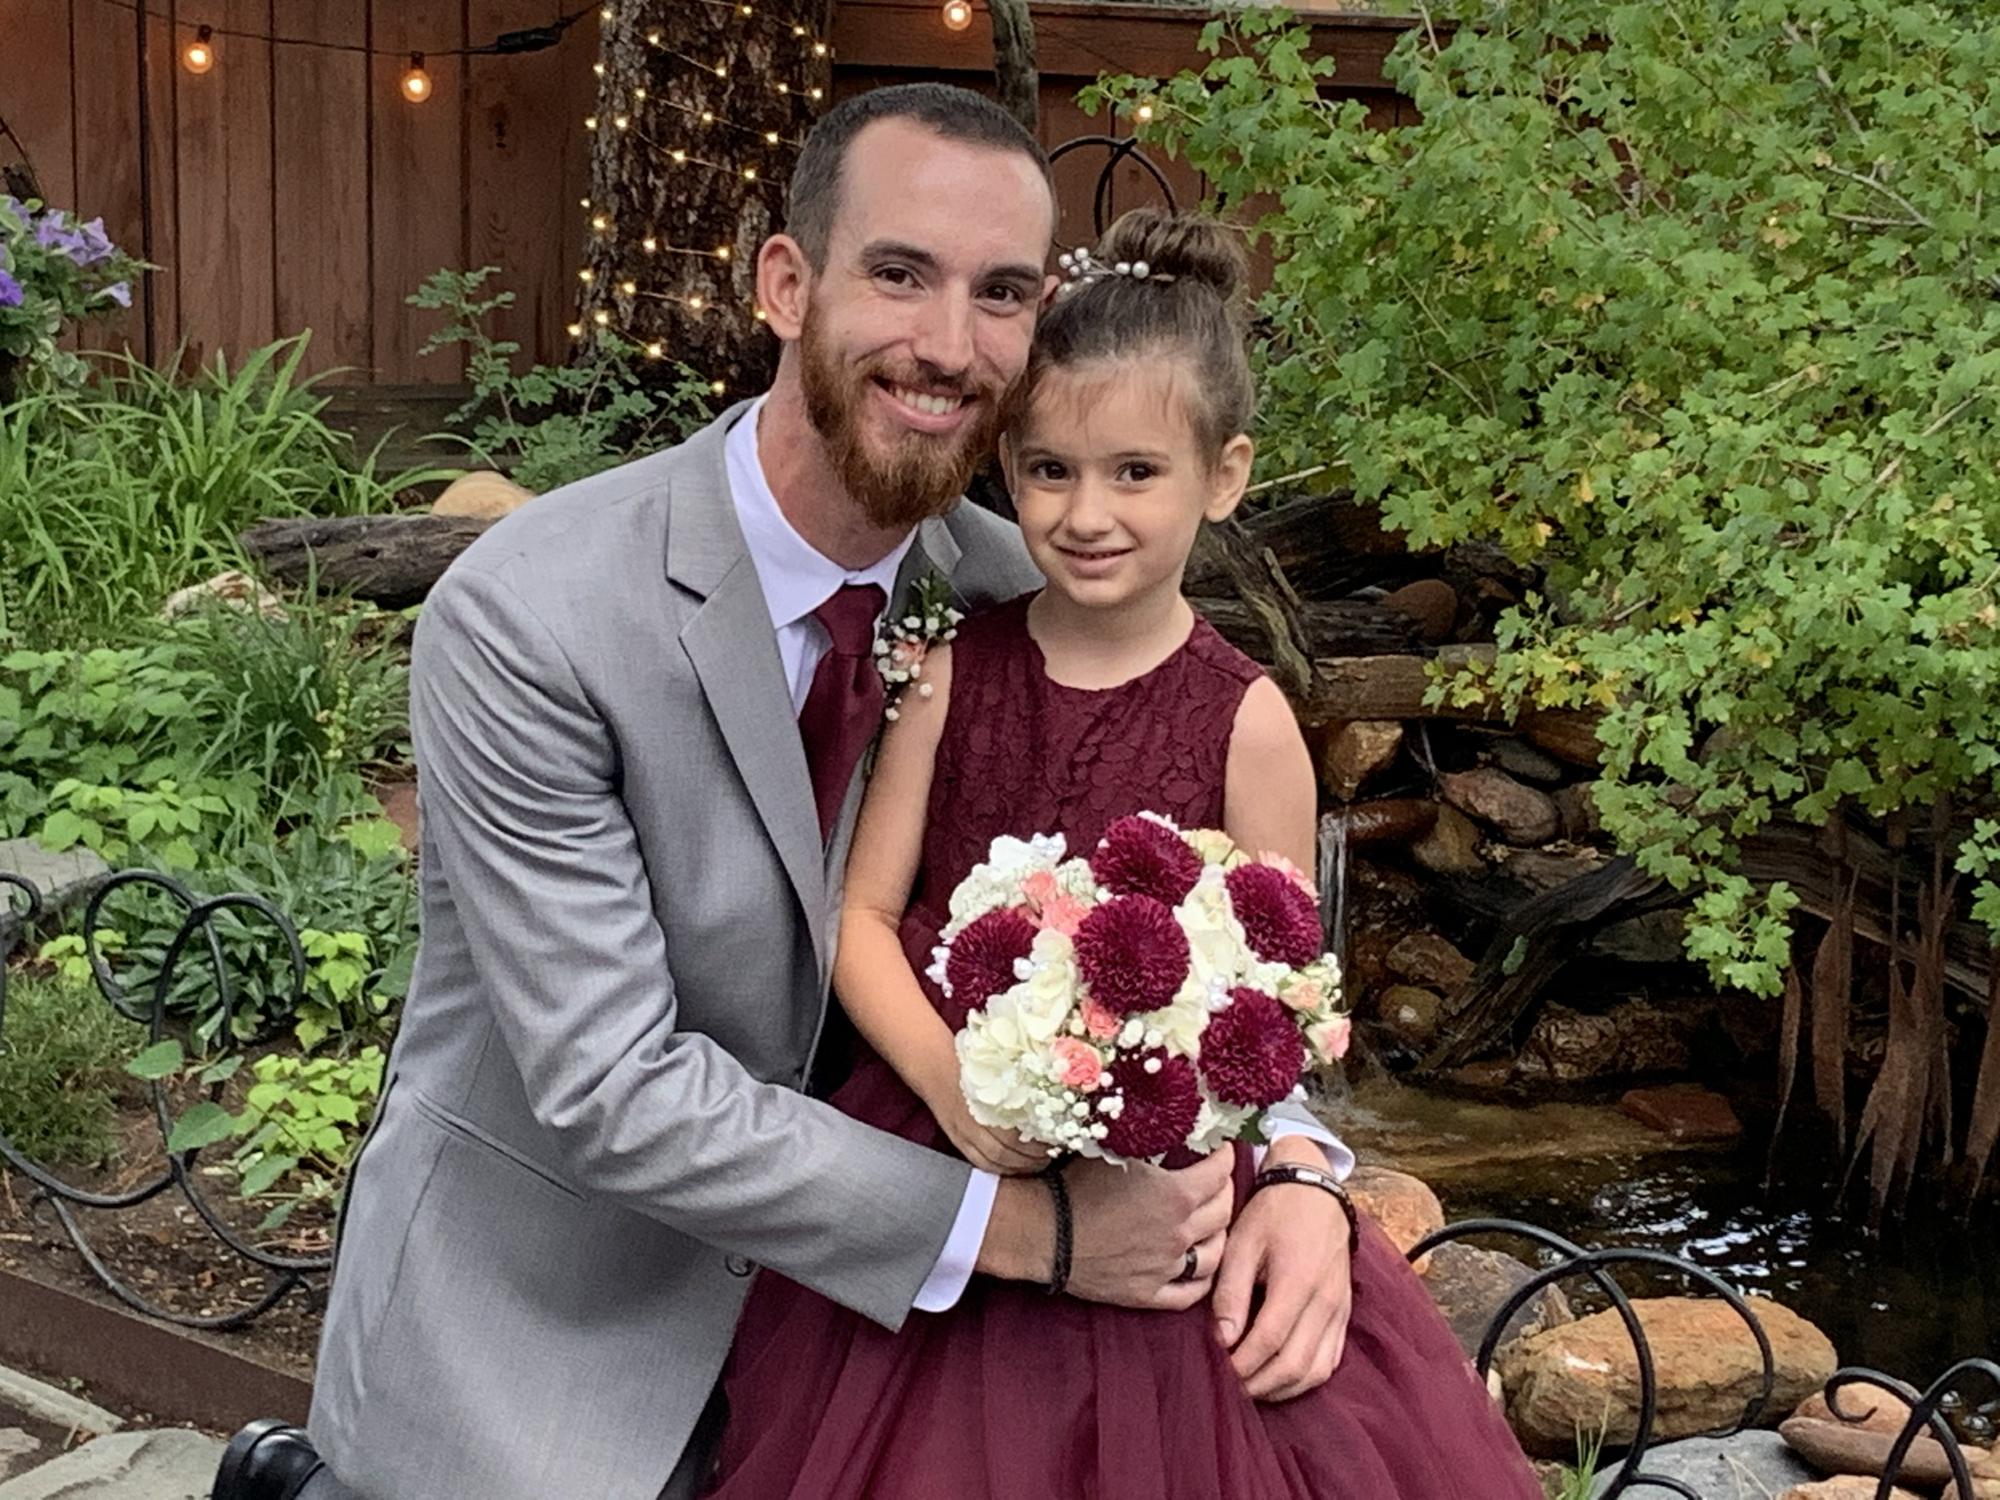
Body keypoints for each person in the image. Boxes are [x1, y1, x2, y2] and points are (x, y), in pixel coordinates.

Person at [214, 86, 1358, 1500]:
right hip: (550, 1348)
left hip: (896, 1357)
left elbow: (1228, 930)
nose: (950, 345)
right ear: (784, 284)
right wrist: (1041, 1236)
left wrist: (1298, 1167)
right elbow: (613, 1086)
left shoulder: (1030, 594)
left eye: (1001, 293)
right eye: (900, 273)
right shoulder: (533, 617)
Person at [705, 207, 1546, 1500]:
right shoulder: (948, 675)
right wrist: (956, 1090)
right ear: (1005, 468)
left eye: (1136, 473)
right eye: (1049, 470)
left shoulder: (1250, 724)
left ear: (1224, 474)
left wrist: (1294, 1173)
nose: (1086, 513)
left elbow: (1282, 1012)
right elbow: (859, 919)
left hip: (1172, 1186)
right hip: (952, 1144)